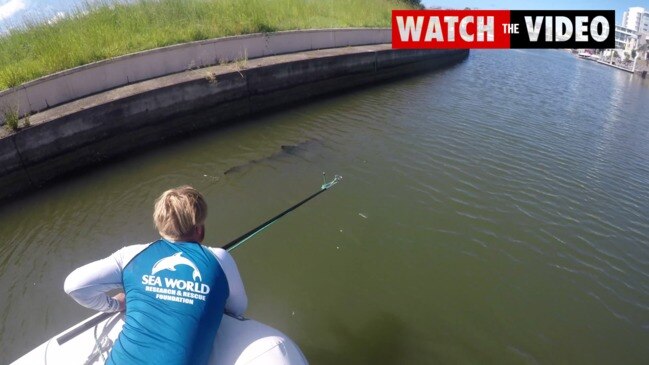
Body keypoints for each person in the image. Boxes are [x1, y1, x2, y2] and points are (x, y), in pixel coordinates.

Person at [64, 186, 247, 364]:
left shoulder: (129, 255)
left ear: (160, 226)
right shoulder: (219, 258)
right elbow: (238, 308)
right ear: (199, 228)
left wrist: (115, 304)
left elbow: (74, 285)